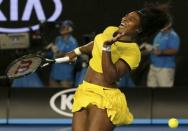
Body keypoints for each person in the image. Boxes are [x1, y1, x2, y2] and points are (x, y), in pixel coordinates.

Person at [61, 5, 170, 131]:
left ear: (138, 29)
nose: (124, 19)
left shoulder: (133, 52)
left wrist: (107, 48)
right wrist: (76, 51)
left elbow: (109, 77)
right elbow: (96, 43)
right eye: (126, 16)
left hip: (105, 98)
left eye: (131, 19)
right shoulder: (110, 30)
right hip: (84, 90)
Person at [146, 18, 180, 87]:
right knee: (151, 92)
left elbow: (174, 50)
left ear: (169, 24)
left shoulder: (173, 36)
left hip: (165, 69)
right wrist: (149, 48)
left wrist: (161, 52)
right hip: (153, 67)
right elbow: (156, 47)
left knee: (165, 94)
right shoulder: (159, 34)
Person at [48, 20, 78, 88]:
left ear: (70, 29)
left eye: (64, 27)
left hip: (65, 77)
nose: (61, 28)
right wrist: (48, 51)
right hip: (54, 75)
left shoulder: (73, 42)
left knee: (64, 95)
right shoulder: (57, 39)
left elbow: (72, 59)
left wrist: (58, 53)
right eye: (61, 27)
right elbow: (52, 55)